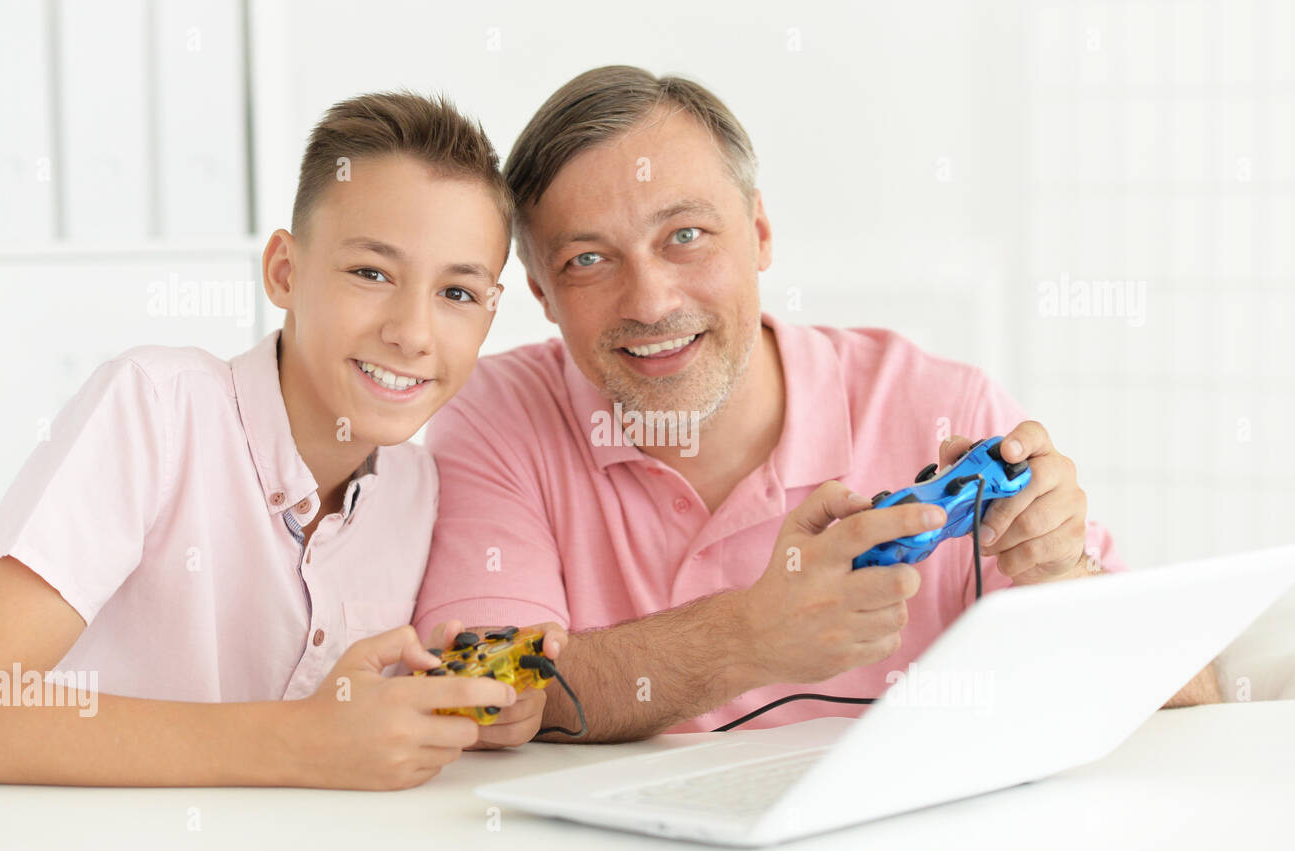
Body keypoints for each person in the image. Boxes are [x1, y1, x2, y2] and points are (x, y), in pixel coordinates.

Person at [414, 66, 1220, 741]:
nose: (651, 301)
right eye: (589, 259)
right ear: (543, 295)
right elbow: (480, 695)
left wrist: (1061, 570)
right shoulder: (494, 416)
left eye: (686, 235)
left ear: (760, 232)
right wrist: (750, 637)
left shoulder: (944, 404)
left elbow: (1198, 705)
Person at [0, 91, 563, 789]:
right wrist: (300, 743)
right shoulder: (156, 408)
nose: (413, 334)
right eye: (372, 273)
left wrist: (472, 710)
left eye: (457, 294)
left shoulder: (418, 489)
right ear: (284, 272)